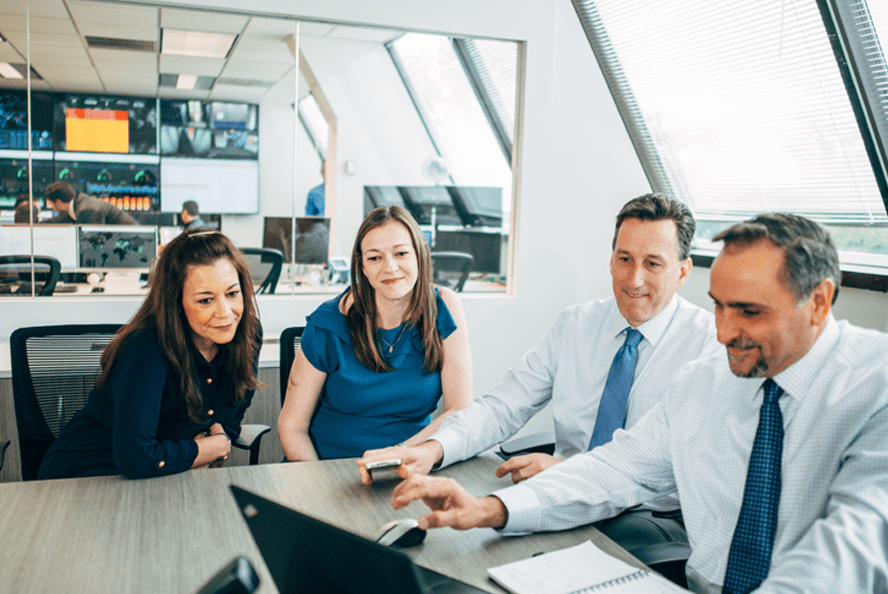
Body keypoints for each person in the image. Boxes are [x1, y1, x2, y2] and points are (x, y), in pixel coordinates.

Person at [390, 213, 888, 594]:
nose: (724, 331)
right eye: (718, 305)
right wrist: (492, 507)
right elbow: (616, 469)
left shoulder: (875, 386)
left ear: (820, 301)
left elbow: (852, 542)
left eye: (750, 312)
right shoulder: (706, 381)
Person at [359, 194, 720, 553]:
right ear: (611, 260)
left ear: (683, 272)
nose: (634, 278)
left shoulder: (710, 350)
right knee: (459, 548)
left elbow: (665, 467)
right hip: (556, 492)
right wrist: (432, 449)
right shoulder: (576, 325)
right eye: (624, 259)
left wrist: (567, 471)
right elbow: (503, 406)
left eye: (653, 264)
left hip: (649, 515)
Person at [37, 229, 264, 480]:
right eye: (205, 300)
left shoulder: (246, 335)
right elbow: (135, 458)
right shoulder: (148, 347)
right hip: (87, 477)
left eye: (232, 294)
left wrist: (211, 450)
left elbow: (229, 421)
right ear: (176, 302)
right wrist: (208, 448)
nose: (225, 312)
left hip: (169, 476)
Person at [278, 205, 472, 460]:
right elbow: (292, 428)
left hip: (412, 463)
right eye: (374, 258)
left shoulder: (444, 307)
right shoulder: (329, 322)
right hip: (329, 467)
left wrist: (400, 456)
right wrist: (318, 486)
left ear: (420, 254)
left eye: (401, 253)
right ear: (362, 266)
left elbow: (458, 410)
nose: (390, 268)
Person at [42, 181, 138, 225]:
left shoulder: (86, 210)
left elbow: (95, 241)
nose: (53, 208)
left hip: (132, 243)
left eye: (51, 204)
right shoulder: (76, 206)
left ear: (58, 202)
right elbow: (59, 220)